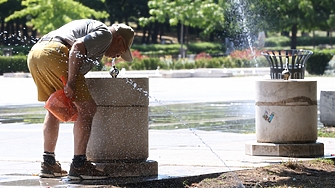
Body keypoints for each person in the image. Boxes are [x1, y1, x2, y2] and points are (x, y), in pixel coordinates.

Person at [27, 19, 134, 180]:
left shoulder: (92, 28)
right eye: (121, 51)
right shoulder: (105, 34)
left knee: (54, 107)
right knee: (88, 108)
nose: (118, 56)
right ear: (118, 39)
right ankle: (79, 165)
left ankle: (48, 163)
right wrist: (70, 82)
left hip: (36, 54)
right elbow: (77, 46)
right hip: (56, 53)